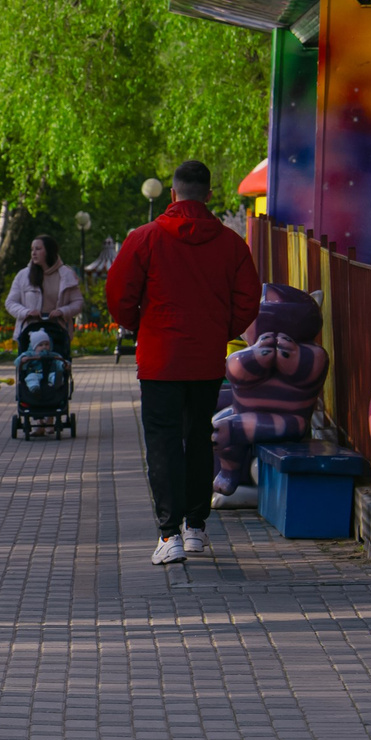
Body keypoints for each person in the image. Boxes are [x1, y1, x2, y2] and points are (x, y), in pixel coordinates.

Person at [105, 159, 259, 565]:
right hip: (205, 359)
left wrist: (139, 324)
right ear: (208, 195)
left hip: (160, 359)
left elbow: (118, 292)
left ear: (172, 194)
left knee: (163, 443)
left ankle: (168, 533)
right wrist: (219, 329)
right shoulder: (231, 245)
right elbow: (248, 298)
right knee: (198, 439)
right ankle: (195, 527)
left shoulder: (145, 238)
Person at [5, 234, 85, 361]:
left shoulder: (66, 274)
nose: (34, 253)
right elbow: (10, 302)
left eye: (38, 249)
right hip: (30, 330)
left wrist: (62, 311)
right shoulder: (23, 275)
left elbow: (78, 302)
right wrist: (26, 312)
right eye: (32, 249)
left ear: (49, 251)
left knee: (58, 364)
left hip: (57, 330)